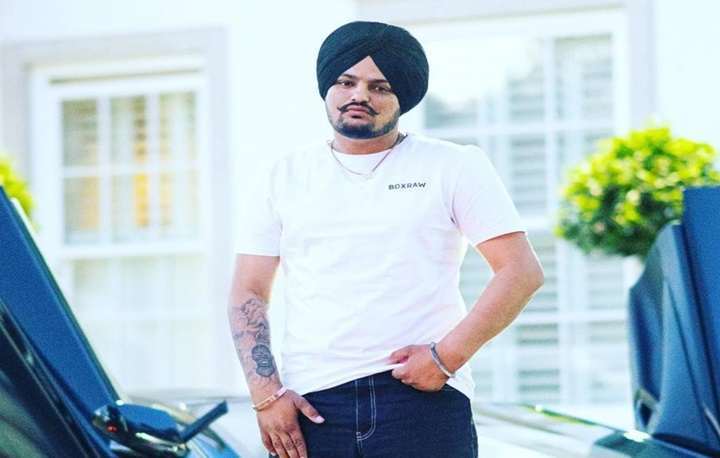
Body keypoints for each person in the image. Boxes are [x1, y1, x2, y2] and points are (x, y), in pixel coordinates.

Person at [228, 21, 544, 458]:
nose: (359, 95)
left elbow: (521, 271)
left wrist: (445, 358)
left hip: (421, 399)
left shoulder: (452, 165)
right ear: (328, 87)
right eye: (346, 82)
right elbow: (248, 290)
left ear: (403, 98)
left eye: (380, 87)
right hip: (313, 407)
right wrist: (266, 395)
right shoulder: (282, 176)